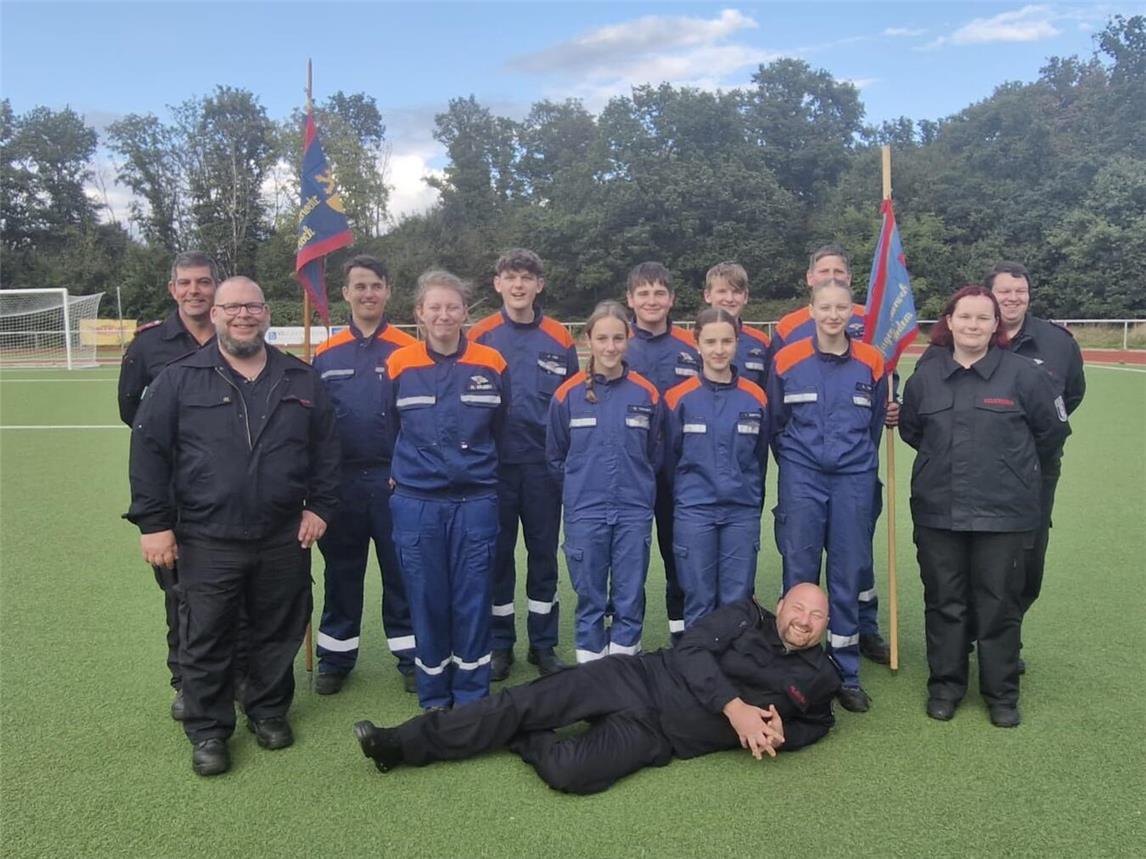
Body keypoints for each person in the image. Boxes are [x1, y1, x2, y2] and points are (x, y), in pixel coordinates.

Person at [126, 277, 341, 776]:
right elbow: (148, 453)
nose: (244, 315)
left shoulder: (302, 379)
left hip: (283, 533)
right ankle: (208, 729)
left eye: (253, 306)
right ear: (217, 315)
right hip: (206, 536)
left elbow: (327, 452)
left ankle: (267, 711)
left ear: (266, 314)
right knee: (205, 635)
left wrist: (321, 507)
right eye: (233, 307)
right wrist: (154, 525)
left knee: (278, 628)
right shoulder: (179, 379)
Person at [353, 583, 841, 795]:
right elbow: (691, 650)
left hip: (660, 736)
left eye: (816, 616)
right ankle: (402, 744)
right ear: (779, 606)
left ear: (824, 625)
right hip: (637, 678)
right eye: (798, 608)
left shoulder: (822, 678)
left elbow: (818, 723)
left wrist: (784, 735)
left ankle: (522, 732)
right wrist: (735, 709)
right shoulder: (741, 616)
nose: (804, 621)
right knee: (519, 701)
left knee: (568, 773)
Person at [899, 285, 1069, 727]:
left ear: (997, 326)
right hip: (939, 512)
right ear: (950, 322)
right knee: (945, 603)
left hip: (1005, 515)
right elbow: (914, 431)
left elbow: (1050, 433)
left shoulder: (1025, 375)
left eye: (983, 318)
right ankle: (946, 687)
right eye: (965, 317)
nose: (973, 325)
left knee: (999, 605)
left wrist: (1013, 475)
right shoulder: (926, 377)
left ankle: (1001, 694)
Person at [384, 270, 509, 711]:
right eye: (434, 307)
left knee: (474, 599)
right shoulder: (399, 364)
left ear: (465, 312)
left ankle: (473, 695)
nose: (443, 315)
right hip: (418, 504)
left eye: (452, 306)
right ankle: (434, 694)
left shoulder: (491, 363)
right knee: (426, 598)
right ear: (419, 313)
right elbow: (387, 427)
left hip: (475, 500)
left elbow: (502, 427)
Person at [768, 244, 893, 667]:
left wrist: (854, 460)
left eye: (841, 308)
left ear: (851, 312)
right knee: (799, 567)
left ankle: (846, 666)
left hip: (854, 477)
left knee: (847, 571)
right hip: (801, 476)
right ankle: (798, 661)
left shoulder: (873, 362)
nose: (834, 315)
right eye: (826, 307)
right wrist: (798, 462)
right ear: (813, 309)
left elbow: (874, 423)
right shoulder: (786, 358)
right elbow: (776, 422)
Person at [117, 251, 219, 722]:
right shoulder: (149, 346)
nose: (195, 290)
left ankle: (235, 674)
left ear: (216, 288)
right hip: (177, 493)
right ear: (172, 289)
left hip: (234, 489)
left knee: (237, 589)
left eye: (203, 282)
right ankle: (187, 681)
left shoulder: (237, 336)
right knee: (181, 595)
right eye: (186, 283)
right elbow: (131, 414)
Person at [469, 249, 579, 681]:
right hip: (491, 468)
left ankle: (543, 644)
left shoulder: (560, 338)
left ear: (539, 285)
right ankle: (499, 646)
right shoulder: (479, 334)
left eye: (527, 277)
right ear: (497, 283)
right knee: (496, 560)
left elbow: (570, 403)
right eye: (510, 277)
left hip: (543, 468)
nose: (518, 285)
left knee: (543, 558)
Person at [311, 254, 418, 695]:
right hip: (343, 484)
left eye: (375, 285)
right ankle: (335, 657)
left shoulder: (409, 351)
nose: (368, 293)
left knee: (401, 572)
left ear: (388, 290)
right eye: (359, 286)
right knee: (342, 571)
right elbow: (314, 426)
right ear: (345, 294)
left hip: (396, 482)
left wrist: (406, 471)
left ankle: (411, 653)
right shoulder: (325, 353)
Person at [547, 300, 662, 662]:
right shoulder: (566, 396)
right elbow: (555, 456)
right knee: (590, 596)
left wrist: (639, 489)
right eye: (602, 338)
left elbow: (656, 452)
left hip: (633, 511)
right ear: (588, 340)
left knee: (629, 594)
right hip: (585, 512)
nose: (610, 347)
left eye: (617, 338)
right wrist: (579, 491)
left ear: (628, 339)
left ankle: (624, 672)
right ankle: (592, 677)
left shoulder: (647, 393)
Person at [986, 261, 1085, 665]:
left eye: (1020, 290)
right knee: (975, 554)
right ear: (989, 294)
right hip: (979, 467)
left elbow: (1072, 395)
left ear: (1028, 293)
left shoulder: (1057, 341)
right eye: (1004, 290)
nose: (1012, 298)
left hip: (1035, 470)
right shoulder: (973, 329)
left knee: (1027, 558)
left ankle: (1008, 632)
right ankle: (984, 634)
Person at [664, 308, 770, 627]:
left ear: (737, 342)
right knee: (698, 598)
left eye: (726, 341)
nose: (719, 349)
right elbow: (670, 460)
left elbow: (760, 459)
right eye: (710, 341)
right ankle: (699, 674)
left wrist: (748, 500)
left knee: (736, 601)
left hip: (741, 513)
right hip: (694, 512)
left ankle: (733, 673)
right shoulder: (677, 399)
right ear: (697, 344)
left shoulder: (756, 397)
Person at [624, 262, 700, 642]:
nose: (651, 301)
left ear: (671, 299)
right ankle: (623, 644)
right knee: (627, 564)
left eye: (659, 293)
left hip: (679, 474)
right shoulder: (617, 345)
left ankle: (682, 638)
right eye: (643, 293)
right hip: (629, 475)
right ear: (630, 299)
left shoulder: (692, 347)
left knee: (678, 558)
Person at [702, 262, 771, 389]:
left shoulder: (761, 342)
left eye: (736, 292)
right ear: (707, 295)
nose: (729, 298)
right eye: (722, 291)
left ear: (745, 296)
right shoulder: (690, 342)